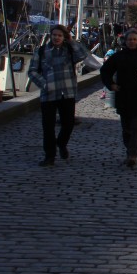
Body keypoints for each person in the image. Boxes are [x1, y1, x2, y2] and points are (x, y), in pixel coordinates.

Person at [28, 24, 88, 167]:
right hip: (49, 94)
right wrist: (44, 84)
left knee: (68, 124)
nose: (56, 38)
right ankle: (50, 156)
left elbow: (83, 55)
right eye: (54, 35)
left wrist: (71, 41)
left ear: (64, 37)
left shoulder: (69, 50)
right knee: (48, 127)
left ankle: (61, 143)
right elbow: (32, 71)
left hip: (67, 92)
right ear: (51, 36)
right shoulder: (42, 51)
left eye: (60, 35)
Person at [100, 29, 137, 168]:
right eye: (129, 40)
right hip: (124, 96)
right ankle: (129, 149)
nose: (131, 42)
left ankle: (133, 155)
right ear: (125, 41)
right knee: (126, 128)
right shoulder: (119, 56)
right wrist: (111, 85)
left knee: (136, 127)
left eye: (134, 39)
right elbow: (105, 70)